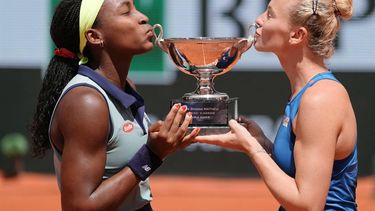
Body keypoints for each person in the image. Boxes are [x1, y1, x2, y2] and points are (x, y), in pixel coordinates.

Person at [29, 0, 200, 210]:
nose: (143, 17)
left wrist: (163, 143)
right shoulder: (86, 102)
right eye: (126, 12)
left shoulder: (127, 86)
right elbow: (78, 207)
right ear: (94, 36)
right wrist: (152, 154)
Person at [195, 0, 358, 210]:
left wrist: (252, 148)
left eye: (270, 15)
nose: (258, 19)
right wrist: (263, 144)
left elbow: (308, 205)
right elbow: (300, 172)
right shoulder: (306, 90)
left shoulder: (320, 98)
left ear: (296, 35)